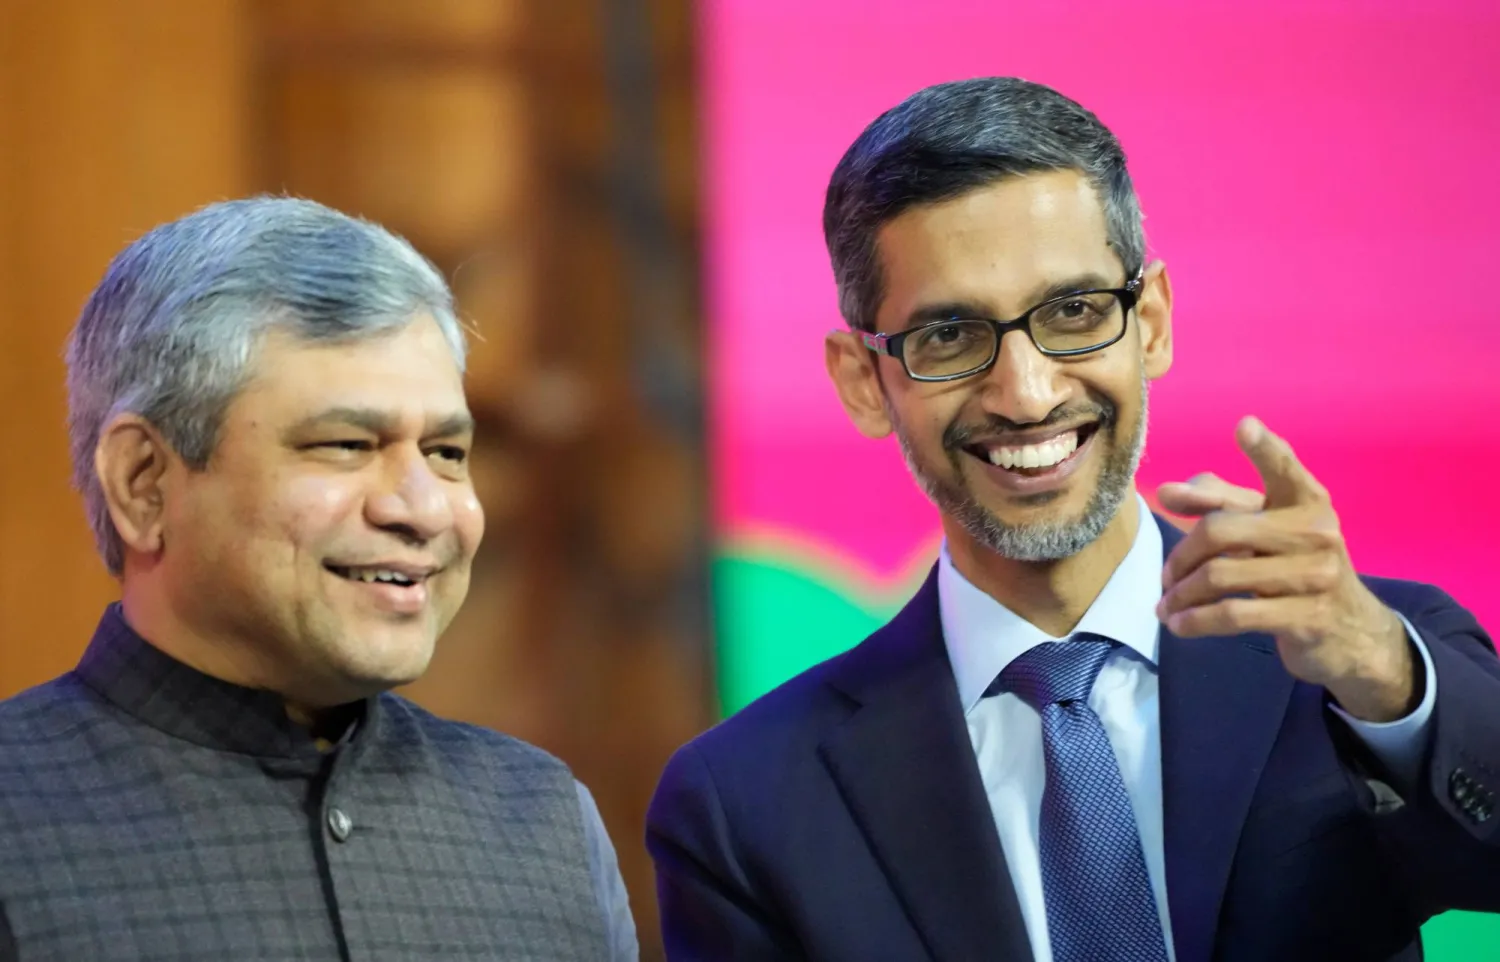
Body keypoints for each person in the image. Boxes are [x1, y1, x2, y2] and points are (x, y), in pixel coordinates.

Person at [647, 78, 1500, 962]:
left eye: (1074, 313)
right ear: (866, 381)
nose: (1027, 393)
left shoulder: (1367, 664)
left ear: (1153, 322)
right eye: (949, 336)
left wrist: (1380, 668)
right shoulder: (743, 804)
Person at [0, 197, 636, 961]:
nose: (423, 508)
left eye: (447, 453)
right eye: (345, 443)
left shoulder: (544, 826)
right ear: (144, 483)